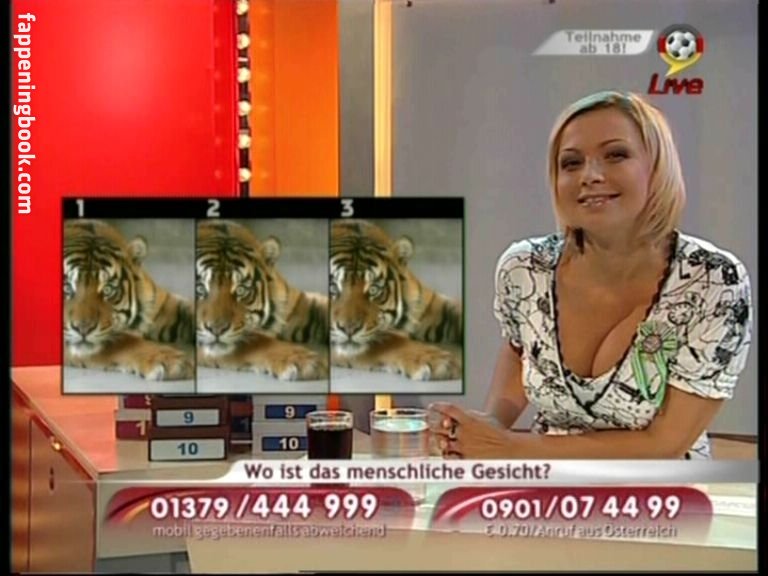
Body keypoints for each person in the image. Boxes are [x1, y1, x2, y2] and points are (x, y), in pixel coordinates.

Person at [429, 90, 753, 460]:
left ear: (657, 167)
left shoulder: (714, 281)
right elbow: (522, 351)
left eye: (616, 155)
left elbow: (665, 444)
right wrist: (487, 427)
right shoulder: (524, 268)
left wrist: (509, 447)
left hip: (662, 491)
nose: (591, 176)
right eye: (571, 163)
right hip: (542, 484)